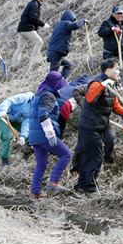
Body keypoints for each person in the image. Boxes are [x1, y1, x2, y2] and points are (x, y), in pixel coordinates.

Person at [73, 59, 123, 193]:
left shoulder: (111, 86)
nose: (119, 72)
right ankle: (89, 188)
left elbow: (116, 106)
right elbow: (90, 97)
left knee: (92, 155)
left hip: (101, 124)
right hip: (89, 126)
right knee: (95, 156)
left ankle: (81, 186)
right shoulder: (96, 83)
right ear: (108, 70)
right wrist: (104, 84)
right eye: (116, 69)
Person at [27, 70, 73, 199]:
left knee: (41, 163)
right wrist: (51, 134)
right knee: (66, 154)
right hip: (43, 134)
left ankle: (35, 192)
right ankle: (54, 182)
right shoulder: (48, 96)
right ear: (56, 84)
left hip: (34, 136)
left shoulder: (39, 94)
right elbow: (43, 114)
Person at [0, 91, 35, 167]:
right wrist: (3, 111)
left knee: (28, 134)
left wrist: (23, 136)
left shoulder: (34, 110)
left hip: (14, 118)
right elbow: (8, 101)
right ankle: (4, 159)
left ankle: (29, 149)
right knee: (7, 136)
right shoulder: (25, 98)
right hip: (2, 115)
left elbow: (26, 122)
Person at [14, 0, 48, 66]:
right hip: (27, 28)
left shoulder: (32, 3)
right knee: (39, 42)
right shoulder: (34, 5)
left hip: (21, 29)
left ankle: (14, 65)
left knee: (20, 48)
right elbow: (33, 18)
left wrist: (36, 29)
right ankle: (34, 60)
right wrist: (43, 24)